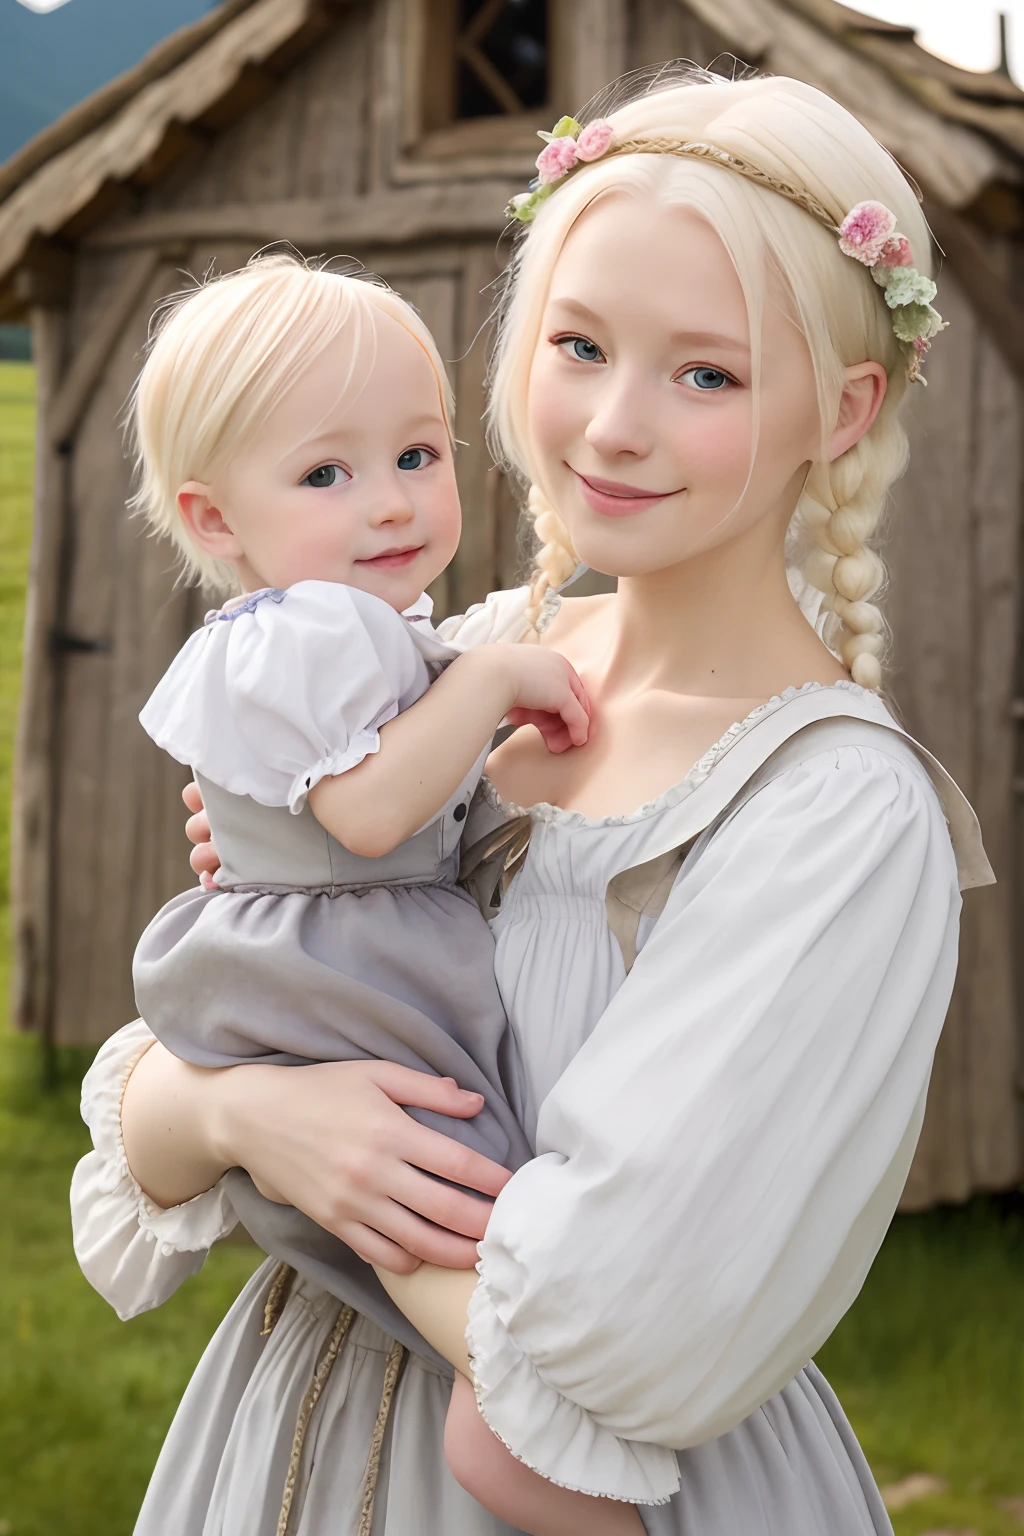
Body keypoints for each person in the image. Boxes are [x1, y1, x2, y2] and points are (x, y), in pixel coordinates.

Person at [72, 67, 992, 1536]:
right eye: (580, 343)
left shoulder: (829, 815)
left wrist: (285, 1147)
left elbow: (626, 1312)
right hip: (279, 1447)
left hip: (598, 1477)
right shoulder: (455, 667)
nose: (615, 427)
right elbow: (173, 1070)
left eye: (708, 373)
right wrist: (256, 1111)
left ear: (843, 406)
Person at [124, 252, 647, 1536]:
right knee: (444, 1189)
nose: (390, 506)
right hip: (345, 987)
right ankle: (515, 1415)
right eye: (325, 475)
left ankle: (504, 1405)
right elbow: (365, 811)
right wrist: (484, 687)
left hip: (329, 967)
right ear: (212, 520)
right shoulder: (312, 629)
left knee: (417, 1196)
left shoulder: (355, 624)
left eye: (416, 455)